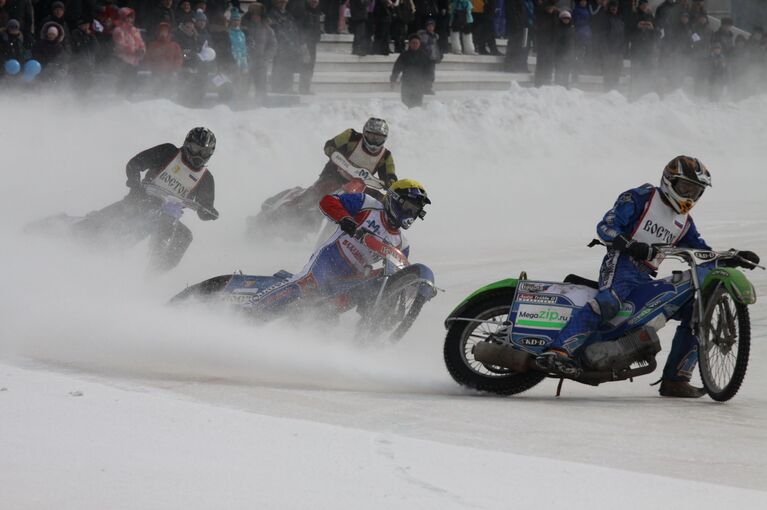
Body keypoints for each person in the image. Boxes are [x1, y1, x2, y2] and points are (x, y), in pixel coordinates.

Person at [542, 156, 760, 398]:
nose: (689, 195)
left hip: (645, 273)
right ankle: (558, 351)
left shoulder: (684, 223)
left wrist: (731, 256)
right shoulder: (640, 197)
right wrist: (630, 245)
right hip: (622, 263)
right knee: (609, 301)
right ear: (669, 180)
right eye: (685, 187)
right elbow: (606, 226)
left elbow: (701, 251)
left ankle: (675, 380)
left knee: (693, 312)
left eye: (696, 191)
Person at [245, 179, 431, 312]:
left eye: (415, 211)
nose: (410, 214)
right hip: (330, 257)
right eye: (408, 206)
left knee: (330, 310)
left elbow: (398, 276)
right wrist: (345, 219)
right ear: (394, 200)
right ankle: (253, 309)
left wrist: (414, 292)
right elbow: (328, 202)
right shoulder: (367, 203)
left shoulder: (402, 244)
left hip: (353, 274)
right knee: (304, 285)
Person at [74, 128, 219, 273]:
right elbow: (135, 163)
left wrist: (208, 212)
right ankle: (76, 232)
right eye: (195, 149)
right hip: (140, 200)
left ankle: (152, 275)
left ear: (210, 154)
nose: (198, 156)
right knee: (95, 225)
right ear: (187, 144)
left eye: (204, 153)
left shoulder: (205, 179)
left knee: (184, 236)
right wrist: (135, 183)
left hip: (169, 215)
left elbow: (204, 208)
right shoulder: (168, 152)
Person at [390, 33, 432, 107]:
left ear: (419, 44)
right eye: (413, 43)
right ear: (409, 43)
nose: (415, 45)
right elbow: (396, 68)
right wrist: (393, 79)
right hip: (406, 83)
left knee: (417, 106)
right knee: (405, 105)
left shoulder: (424, 56)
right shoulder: (404, 55)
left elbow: (429, 70)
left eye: (417, 43)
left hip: (419, 84)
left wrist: (428, 82)